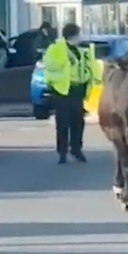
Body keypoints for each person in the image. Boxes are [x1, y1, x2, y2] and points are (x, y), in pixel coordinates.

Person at [42, 23, 102, 164]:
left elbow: (90, 65)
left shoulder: (82, 49)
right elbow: (50, 64)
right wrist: (65, 60)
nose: (80, 37)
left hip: (78, 89)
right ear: (72, 36)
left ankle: (76, 149)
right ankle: (62, 152)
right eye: (78, 34)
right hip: (62, 90)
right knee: (63, 123)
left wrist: (96, 78)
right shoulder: (56, 48)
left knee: (78, 121)